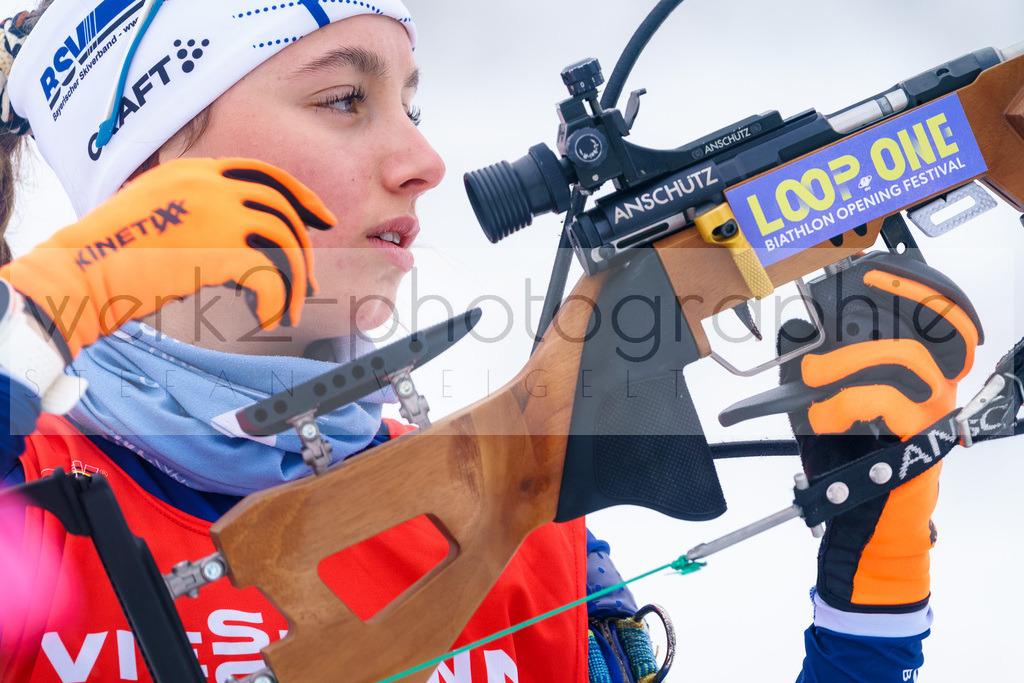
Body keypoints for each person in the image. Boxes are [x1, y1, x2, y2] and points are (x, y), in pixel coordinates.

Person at [0, 1, 982, 682]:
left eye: (411, 104)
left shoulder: (519, 528)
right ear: (163, 159)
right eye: (346, 99)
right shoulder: (29, 504)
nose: (424, 159)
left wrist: (870, 589)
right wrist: (30, 330)